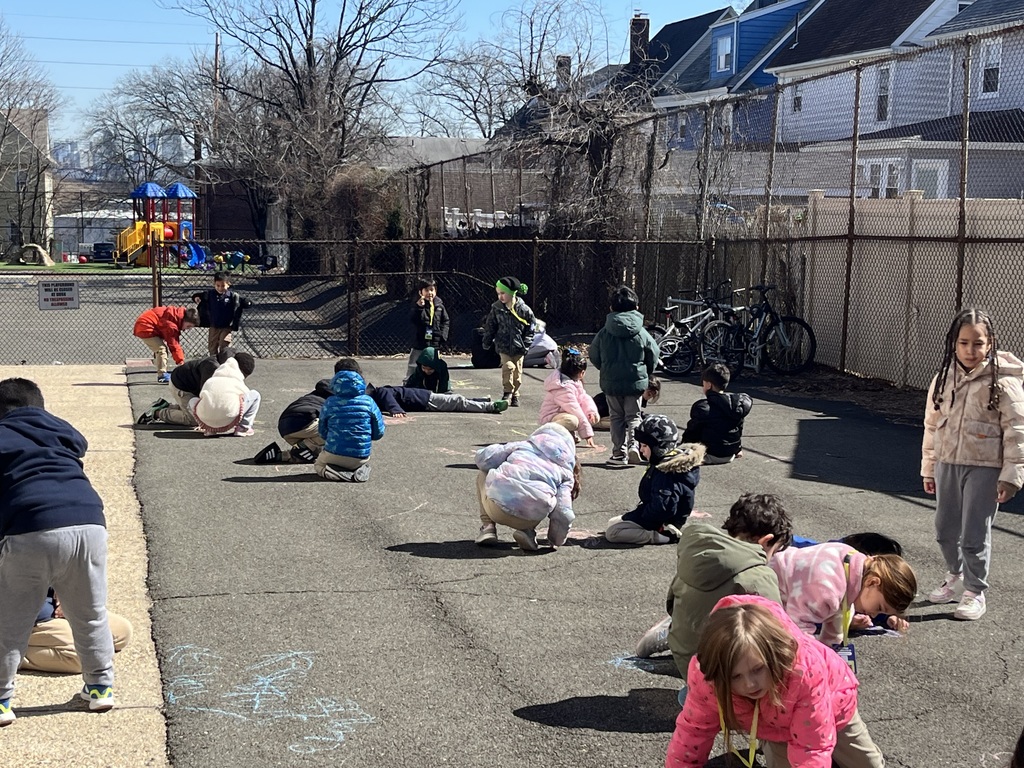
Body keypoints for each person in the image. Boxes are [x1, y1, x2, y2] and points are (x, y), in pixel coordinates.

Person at [0, 377, 116, 725]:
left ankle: (3, 700)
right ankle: (100, 688)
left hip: (30, 527)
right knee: (93, 614)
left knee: (11, 625)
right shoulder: (59, 429)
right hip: (90, 521)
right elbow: (78, 445)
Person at [665, 594, 885, 768]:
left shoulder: (803, 672)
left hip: (833, 704)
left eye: (758, 669)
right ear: (717, 673)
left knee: (868, 765)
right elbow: (693, 732)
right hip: (772, 722)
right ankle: (769, 742)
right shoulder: (707, 679)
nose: (750, 684)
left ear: (775, 657)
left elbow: (811, 749)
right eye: (735, 677)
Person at [922, 307, 1024, 621]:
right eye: (964, 343)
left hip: (985, 468)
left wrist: (1011, 476)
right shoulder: (943, 379)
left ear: (990, 343)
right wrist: (929, 467)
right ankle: (955, 577)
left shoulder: (1004, 383)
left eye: (977, 343)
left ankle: (975, 591)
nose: (970, 350)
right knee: (944, 529)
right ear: (954, 343)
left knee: (974, 534)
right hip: (948, 463)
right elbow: (931, 424)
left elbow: (1017, 431)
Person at [638, 494, 792, 681]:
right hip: (725, 675)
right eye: (774, 551)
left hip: (685, 662)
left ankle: (693, 689)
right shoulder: (759, 576)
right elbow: (777, 633)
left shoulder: (698, 551)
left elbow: (670, 604)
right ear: (766, 541)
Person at [770, 541, 917, 647]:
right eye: (879, 607)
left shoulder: (851, 561)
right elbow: (796, 632)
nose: (873, 615)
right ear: (872, 582)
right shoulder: (826, 590)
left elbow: (839, 618)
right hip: (763, 592)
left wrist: (829, 655)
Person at [474, 423, 579, 551]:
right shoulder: (566, 472)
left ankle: (488, 527)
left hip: (497, 508)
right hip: (530, 517)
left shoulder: (524, 446)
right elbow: (563, 512)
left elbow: (485, 459)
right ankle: (527, 531)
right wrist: (555, 540)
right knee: (540, 494)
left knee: (483, 473)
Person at [604, 414, 703, 545]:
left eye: (645, 446)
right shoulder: (665, 461)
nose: (641, 450)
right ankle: (660, 532)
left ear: (659, 447)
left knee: (613, 533)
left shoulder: (666, 471)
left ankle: (664, 536)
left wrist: (638, 519)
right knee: (613, 522)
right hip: (658, 515)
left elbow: (662, 508)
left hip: (660, 522)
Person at [589, 285, 660, 468]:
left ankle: (618, 453)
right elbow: (653, 352)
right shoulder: (641, 332)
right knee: (634, 416)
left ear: (611, 308)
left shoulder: (604, 332)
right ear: (636, 307)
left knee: (616, 417)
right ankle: (634, 446)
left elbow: (594, 354)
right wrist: (646, 372)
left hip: (611, 382)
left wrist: (604, 368)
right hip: (635, 382)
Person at [254, 359, 362, 465]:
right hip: (303, 422)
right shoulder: (346, 393)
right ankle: (303, 447)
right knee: (346, 427)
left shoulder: (328, 387)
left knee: (317, 452)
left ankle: (281, 455)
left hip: (286, 426)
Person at [22, 590, 132, 675]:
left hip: (55, 602)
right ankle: (9, 655)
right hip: (28, 617)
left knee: (122, 632)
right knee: (82, 657)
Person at [138, 350, 255, 427]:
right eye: (243, 375)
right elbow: (207, 396)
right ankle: (157, 413)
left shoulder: (228, 361)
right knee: (194, 420)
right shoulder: (212, 368)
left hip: (190, 384)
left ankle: (166, 406)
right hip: (181, 386)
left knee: (198, 411)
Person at [315, 368, 385, 482]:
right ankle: (358, 468)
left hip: (334, 452)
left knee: (318, 466)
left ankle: (335, 473)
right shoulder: (369, 402)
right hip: (361, 455)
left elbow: (322, 431)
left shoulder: (330, 402)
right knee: (356, 461)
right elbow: (379, 433)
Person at [681, 363, 752, 464]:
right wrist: (737, 449)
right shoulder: (737, 404)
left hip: (709, 453)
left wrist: (683, 448)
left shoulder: (702, 407)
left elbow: (692, 432)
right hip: (730, 454)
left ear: (709, 385)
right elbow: (738, 428)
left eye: (704, 383)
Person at [481, 276, 536, 407]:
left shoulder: (523, 309)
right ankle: (507, 392)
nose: (500, 296)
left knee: (517, 375)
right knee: (508, 367)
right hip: (503, 346)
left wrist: (526, 343)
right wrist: (487, 341)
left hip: (519, 347)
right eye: (498, 293)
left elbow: (531, 326)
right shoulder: (497, 308)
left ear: (512, 293)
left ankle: (515, 394)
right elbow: (490, 326)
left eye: (503, 293)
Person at [538, 347, 600, 448]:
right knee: (573, 421)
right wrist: (588, 435)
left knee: (592, 416)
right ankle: (547, 434)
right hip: (551, 417)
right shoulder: (563, 388)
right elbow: (575, 409)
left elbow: (584, 398)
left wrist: (591, 411)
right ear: (581, 373)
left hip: (564, 413)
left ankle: (568, 434)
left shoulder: (575, 382)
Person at [187, 356, 262, 437]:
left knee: (192, 400)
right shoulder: (236, 381)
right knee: (255, 395)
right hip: (228, 417)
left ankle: (208, 428)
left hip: (206, 419)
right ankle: (243, 427)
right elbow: (246, 396)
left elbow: (202, 396)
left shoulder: (210, 381)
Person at [132, 305, 199, 383]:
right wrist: (181, 362)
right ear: (183, 320)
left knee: (161, 349)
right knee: (161, 349)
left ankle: (162, 372)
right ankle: (162, 375)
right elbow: (173, 344)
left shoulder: (175, 315)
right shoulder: (171, 325)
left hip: (146, 325)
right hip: (146, 328)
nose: (187, 329)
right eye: (188, 326)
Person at [192, 271, 253, 356]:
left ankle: (225, 362)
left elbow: (244, 301)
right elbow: (198, 295)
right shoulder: (210, 294)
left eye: (223, 286)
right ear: (214, 284)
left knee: (224, 344)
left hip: (226, 326)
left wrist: (247, 303)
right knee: (212, 346)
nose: (220, 288)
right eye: (218, 286)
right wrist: (196, 298)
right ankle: (214, 362)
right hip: (214, 325)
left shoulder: (232, 296)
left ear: (228, 284)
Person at [366, 382, 508, 416]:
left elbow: (388, 399)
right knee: (455, 400)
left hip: (426, 400)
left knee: (457, 402)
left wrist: (395, 410)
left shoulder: (381, 392)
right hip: (425, 398)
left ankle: (491, 407)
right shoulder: (380, 393)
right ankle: (483, 401)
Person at [406, 277, 450, 383]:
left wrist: (443, 335)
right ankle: (408, 383)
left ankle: (436, 384)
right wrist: (419, 308)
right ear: (421, 292)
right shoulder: (417, 305)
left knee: (434, 363)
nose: (429, 293)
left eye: (432, 290)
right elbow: (413, 319)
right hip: (420, 340)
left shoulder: (439, 306)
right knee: (414, 363)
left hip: (435, 341)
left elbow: (446, 321)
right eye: (426, 290)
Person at [594, 377, 661, 431]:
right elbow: (631, 413)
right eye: (649, 394)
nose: (649, 397)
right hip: (599, 414)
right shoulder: (633, 395)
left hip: (607, 412)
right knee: (624, 422)